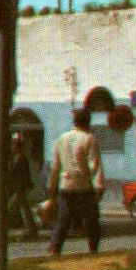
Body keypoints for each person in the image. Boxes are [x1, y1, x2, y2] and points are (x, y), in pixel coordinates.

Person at [47, 107, 105, 255]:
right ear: (88, 122)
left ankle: (55, 249)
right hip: (84, 187)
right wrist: (99, 186)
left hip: (65, 186)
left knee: (63, 220)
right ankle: (93, 249)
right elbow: (95, 164)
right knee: (92, 220)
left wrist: (51, 186)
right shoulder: (89, 138)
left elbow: (55, 166)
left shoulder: (62, 138)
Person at [6, 134, 39, 240]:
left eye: (13, 145)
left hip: (20, 188)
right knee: (24, 209)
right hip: (20, 188)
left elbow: (21, 175)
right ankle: (32, 230)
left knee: (12, 208)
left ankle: (30, 230)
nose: (11, 147)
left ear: (16, 146)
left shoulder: (20, 158)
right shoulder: (18, 157)